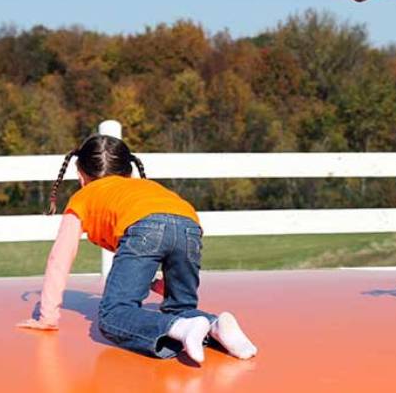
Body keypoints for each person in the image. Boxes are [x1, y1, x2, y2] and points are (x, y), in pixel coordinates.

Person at [17, 134, 257, 364]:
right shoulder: (146, 189)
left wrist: (47, 317)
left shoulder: (83, 198)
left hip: (146, 228)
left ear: (81, 176)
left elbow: (60, 259)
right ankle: (214, 325)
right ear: (129, 172)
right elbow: (162, 233)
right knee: (180, 307)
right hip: (189, 224)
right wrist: (162, 281)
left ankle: (181, 328)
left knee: (114, 315)